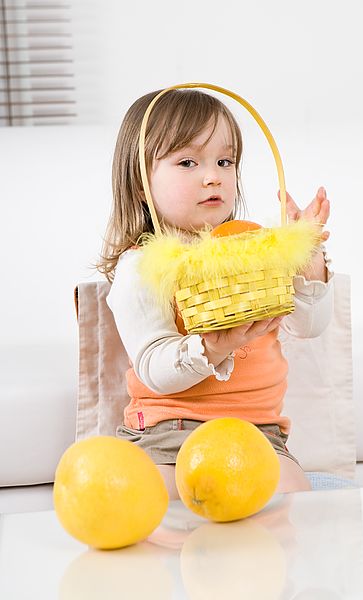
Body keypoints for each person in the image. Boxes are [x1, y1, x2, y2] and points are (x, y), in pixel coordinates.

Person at [96, 88, 333, 500]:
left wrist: (306, 259)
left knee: (294, 499)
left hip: (256, 433)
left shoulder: (253, 249)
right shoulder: (144, 265)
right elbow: (154, 366)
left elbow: (309, 325)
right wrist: (212, 348)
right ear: (140, 185)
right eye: (188, 162)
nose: (213, 176)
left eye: (225, 161)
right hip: (169, 434)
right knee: (153, 505)